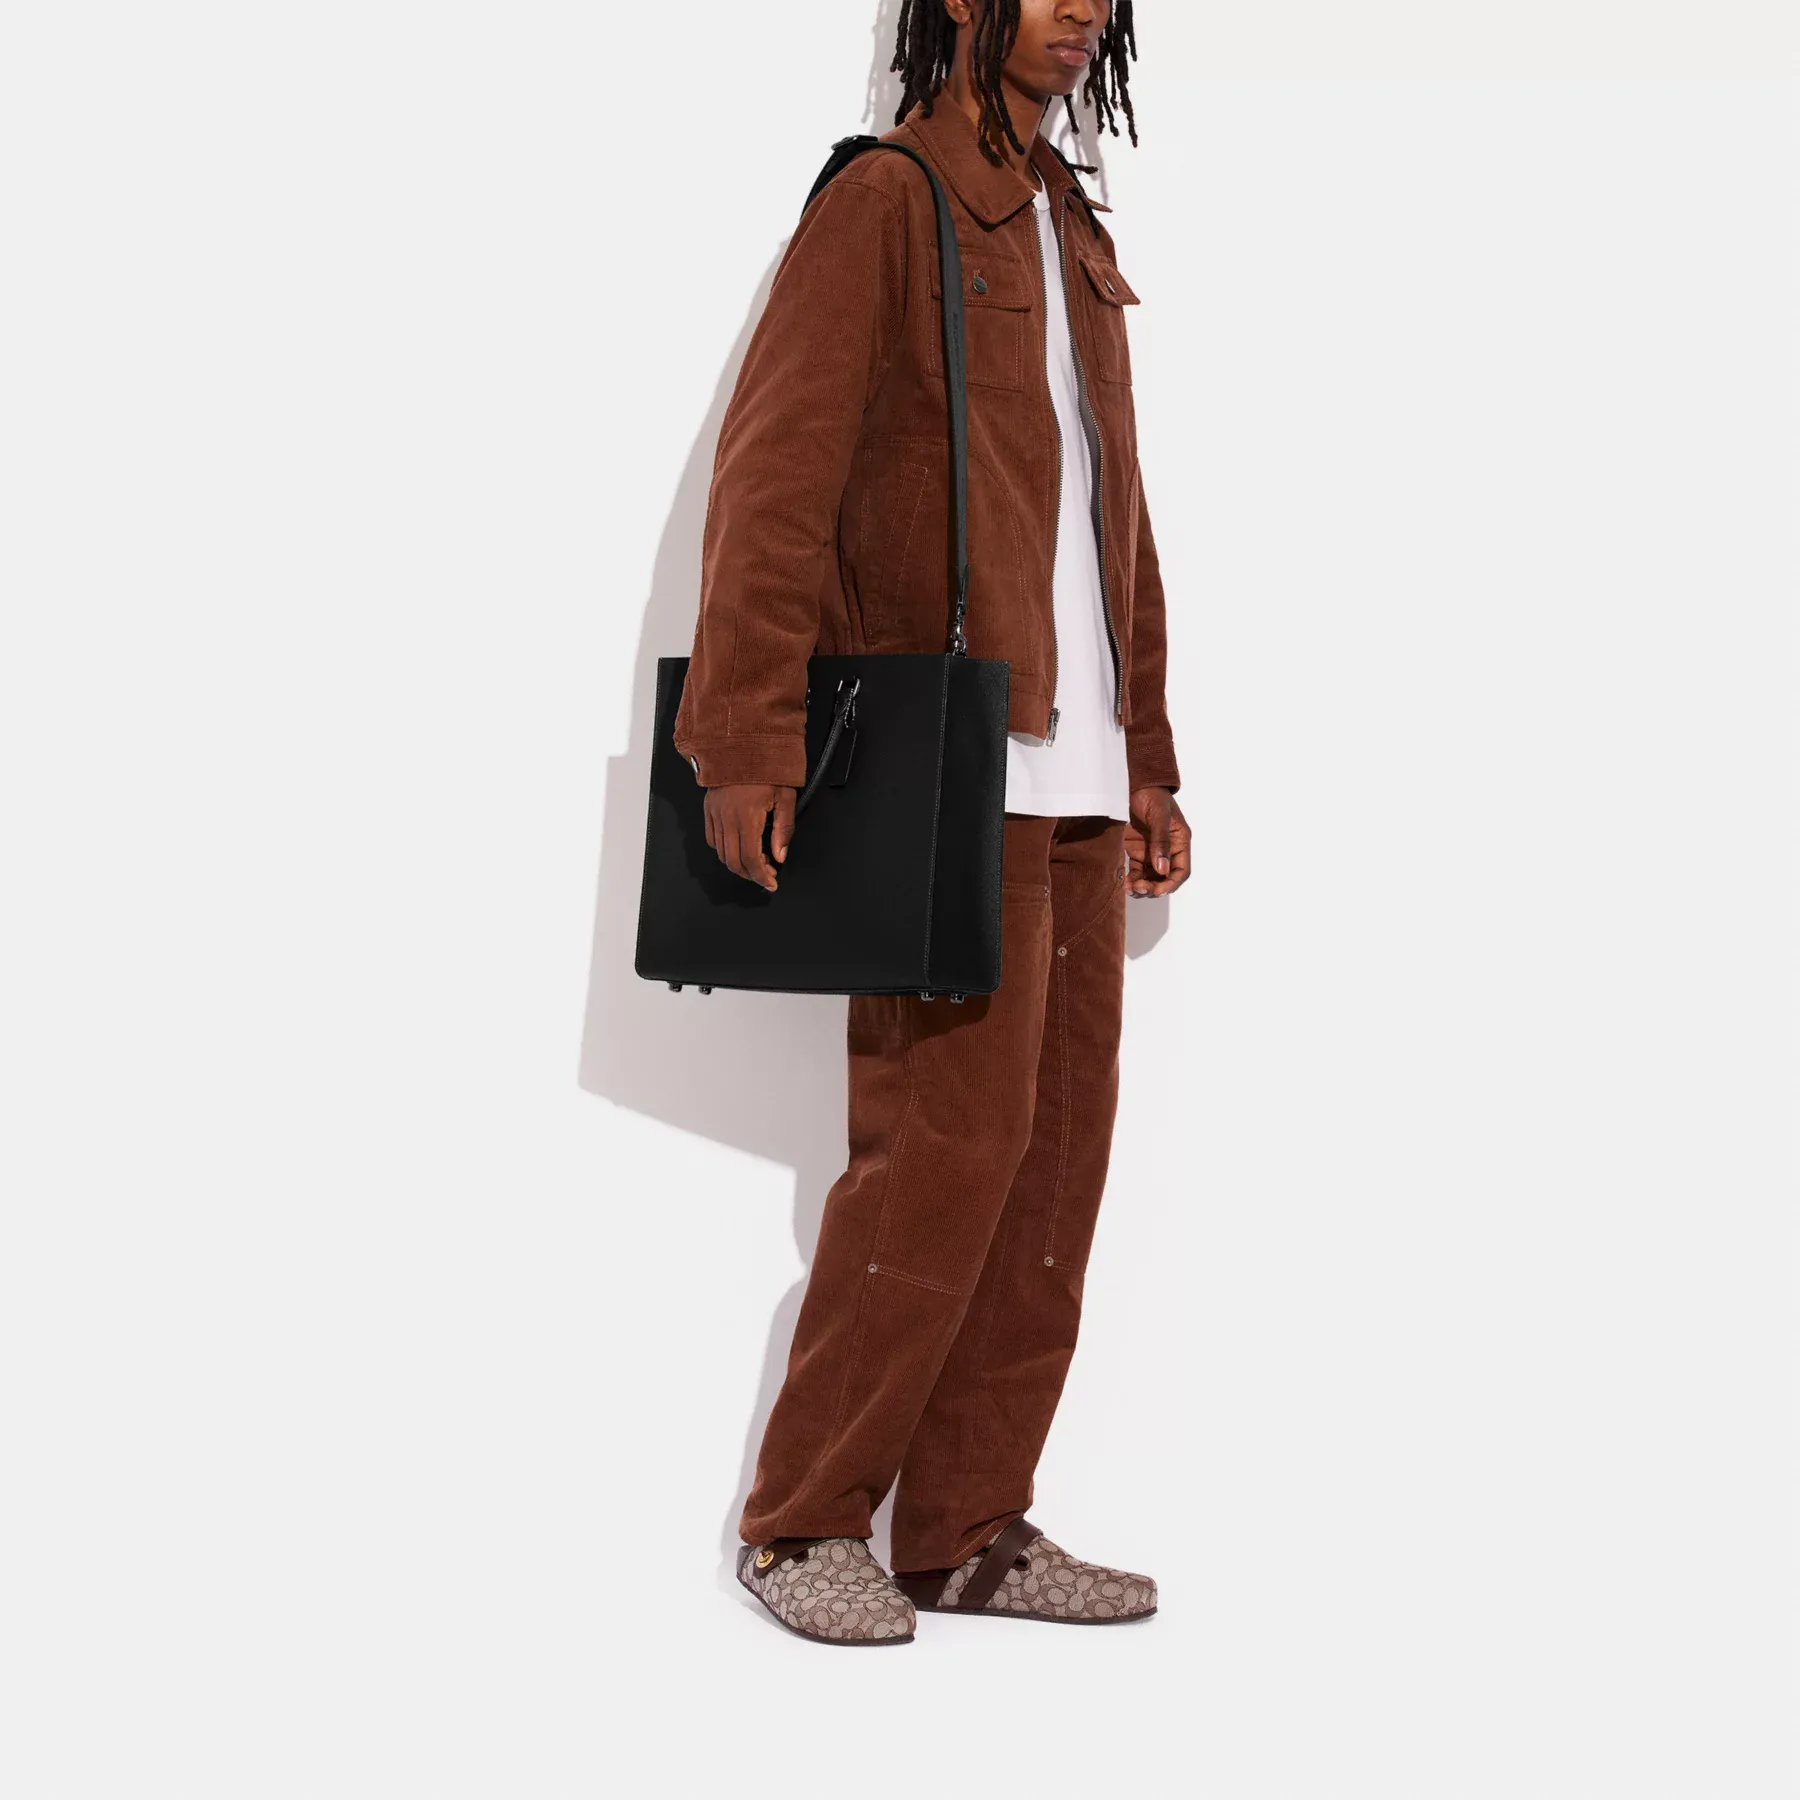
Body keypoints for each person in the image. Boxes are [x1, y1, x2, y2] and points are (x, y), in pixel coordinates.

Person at [672, 0, 1190, 1645]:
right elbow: (776, 477)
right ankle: (802, 1522)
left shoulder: (1071, 225)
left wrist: (1151, 755)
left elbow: (1117, 516)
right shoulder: (888, 202)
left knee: (1053, 1169)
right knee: (937, 1159)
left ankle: (962, 1530)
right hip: (954, 767)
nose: (1082, 8)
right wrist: (743, 737)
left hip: (1078, 778)